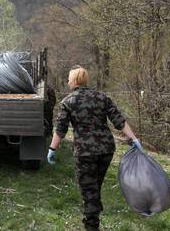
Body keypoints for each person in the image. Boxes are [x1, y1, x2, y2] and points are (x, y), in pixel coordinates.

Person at [46, 65, 142, 231]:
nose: (68, 81)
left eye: (69, 78)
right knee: (94, 185)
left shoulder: (68, 102)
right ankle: (95, 207)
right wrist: (134, 138)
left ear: (75, 80)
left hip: (85, 153)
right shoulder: (102, 97)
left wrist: (52, 149)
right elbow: (119, 120)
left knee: (89, 191)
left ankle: (92, 224)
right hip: (106, 150)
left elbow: (61, 129)